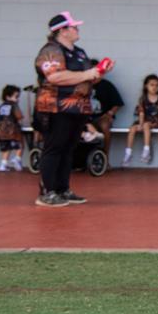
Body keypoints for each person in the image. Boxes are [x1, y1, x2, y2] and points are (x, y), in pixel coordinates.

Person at [34, 12, 105, 207]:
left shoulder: (79, 52)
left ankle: (62, 189)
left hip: (78, 108)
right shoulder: (52, 51)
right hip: (56, 107)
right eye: (73, 27)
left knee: (68, 149)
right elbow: (55, 77)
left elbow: (84, 76)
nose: (77, 29)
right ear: (62, 31)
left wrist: (97, 74)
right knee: (54, 148)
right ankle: (47, 192)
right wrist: (87, 73)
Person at [123, 74, 158, 166]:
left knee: (146, 125)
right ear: (146, 86)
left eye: (157, 85)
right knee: (132, 129)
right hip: (144, 120)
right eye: (152, 85)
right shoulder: (143, 98)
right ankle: (128, 153)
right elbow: (141, 113)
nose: (154, 87)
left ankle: (146, 151)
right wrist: (140, 124)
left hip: (156, 120)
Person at [90, 63, 125, 157]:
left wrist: (110, 113)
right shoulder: (83, 85)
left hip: (101, 118)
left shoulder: (107, 85)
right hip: (85, 119)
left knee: (105, 126)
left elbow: (118, 103)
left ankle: (105, 157)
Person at [0, 85, 25, 172]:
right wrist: (21, 124)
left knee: (6, 148)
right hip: (13, 131)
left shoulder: (1, 106)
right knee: (20, 145)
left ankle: (3, 165)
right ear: (8, 97)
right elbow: (19, 117)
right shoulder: (14, 105)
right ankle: (17, 158)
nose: (17, 99)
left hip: (2, 132)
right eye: (16, 96)